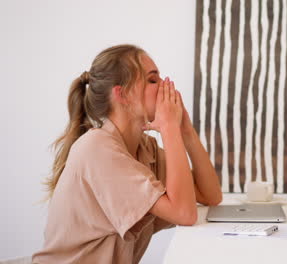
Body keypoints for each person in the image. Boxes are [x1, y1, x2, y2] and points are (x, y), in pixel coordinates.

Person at [32, 44, 222, 263]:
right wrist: (169, 127)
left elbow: (210, 196)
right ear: (122, 94)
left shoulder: (144, 149)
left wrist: (185, 130)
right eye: (153, 80)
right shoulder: (97, 148)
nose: (164, 87)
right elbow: (185, 214)